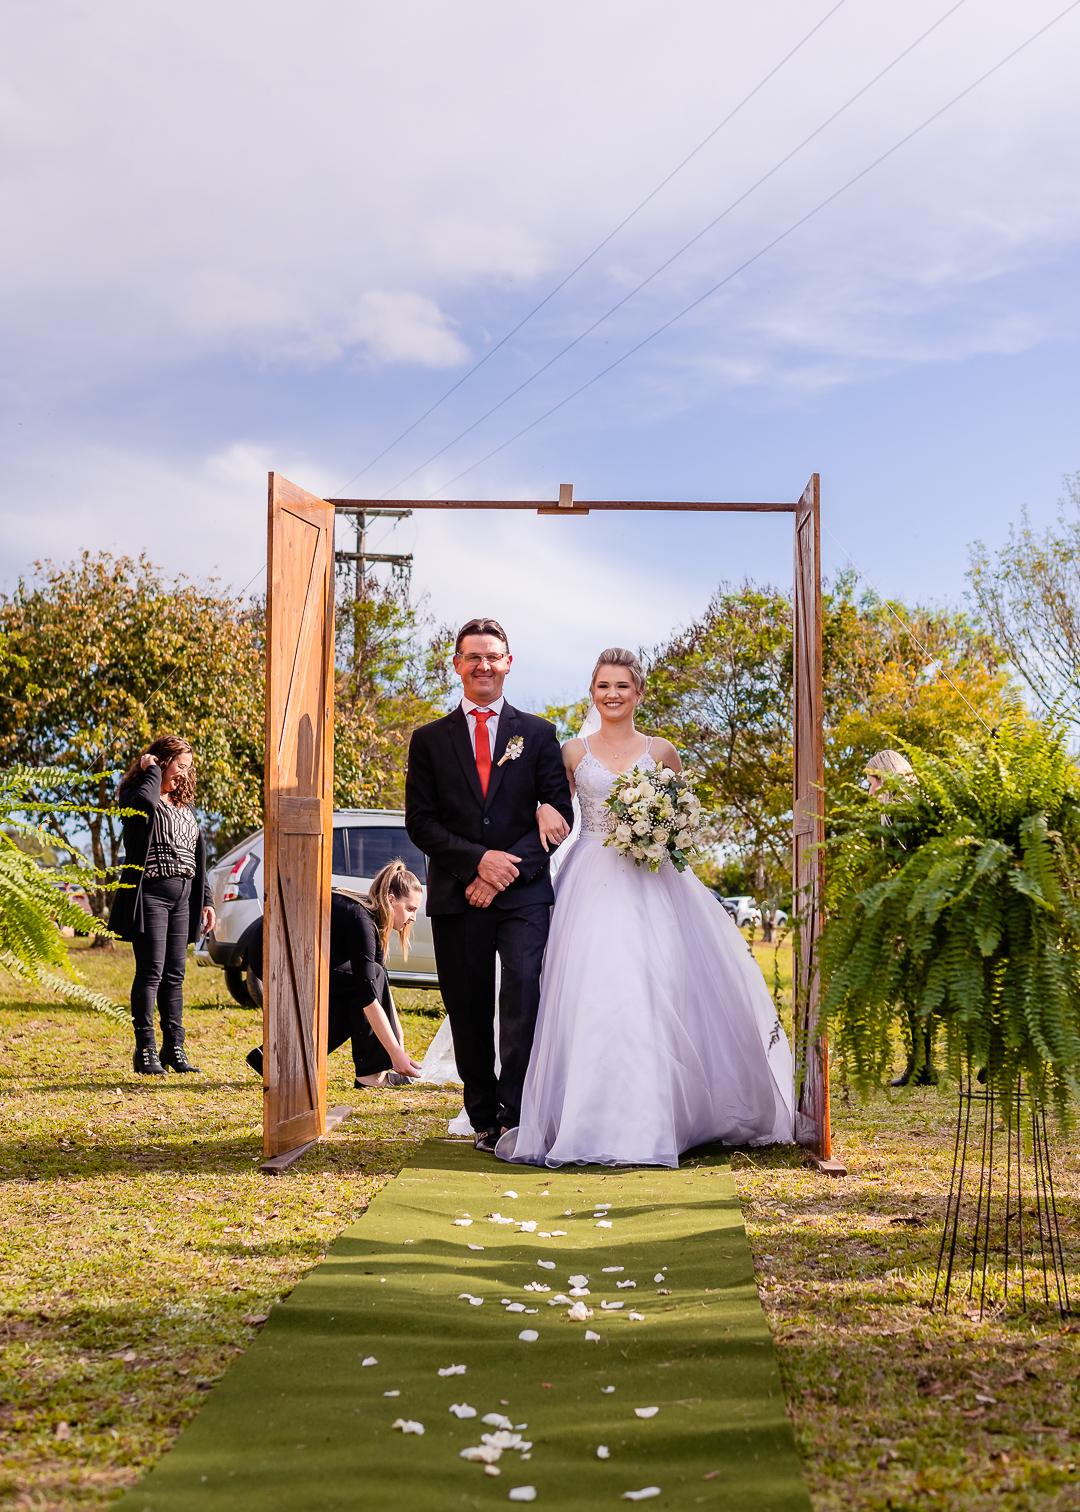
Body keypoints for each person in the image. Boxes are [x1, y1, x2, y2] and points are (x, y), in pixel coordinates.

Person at [496, 648, 794, 1168]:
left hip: (653, 881)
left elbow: (681, 819)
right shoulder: (571, 751)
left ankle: (658, 1116)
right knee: (589, 989)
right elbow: (552, 806)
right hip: (588, 876)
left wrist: (655, 832)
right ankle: (584, 1113)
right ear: (592, 691)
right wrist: (543, 806)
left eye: (622, 687)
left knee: (654, 988)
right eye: (603, 686)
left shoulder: (662, 751)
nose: (612, 695)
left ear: (639, 693)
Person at [405, 617, 575, 1152]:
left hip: (523, 894)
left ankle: (517, 1110)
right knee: (468, 1005)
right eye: (472, 656)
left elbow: (557, 814)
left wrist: (505, 870)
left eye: (492, 656)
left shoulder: (540, 733)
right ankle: (482, 1114)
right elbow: (421, 822)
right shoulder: (429, 739)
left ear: (507, 663)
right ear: (457, 665)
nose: (483, 665)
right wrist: (478, 864)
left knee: (524, 997)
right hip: (459, 893)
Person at [244, 862, 425, 1087]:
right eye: (411, 909)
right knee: (361, 990)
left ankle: (275, 1059)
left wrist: (400, 1046)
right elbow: (369, 997)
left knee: (365, 985)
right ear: (391, 900)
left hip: (285, 951)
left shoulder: (371, 919)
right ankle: (370, 1075)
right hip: (271, 952)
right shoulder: (362, 921)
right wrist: (395, 1053)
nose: (414, 917)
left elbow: (381, 986)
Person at [110, 736, 215, 1077]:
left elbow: (198, 856)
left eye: (189, 768)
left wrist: (207, 900)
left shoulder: (185, 806)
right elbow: (144, 801)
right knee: (151, 973)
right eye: (179, 766)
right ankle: (145, 1051)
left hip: (183, 895)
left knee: (175, 975)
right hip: (151, 893)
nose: (184, 775)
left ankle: (175, 1048)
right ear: (161, 761)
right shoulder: (138, 794)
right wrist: (150, 771)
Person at [865, 748, 938, 1088]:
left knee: (920, 988)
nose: (869, 790)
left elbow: (911, 867)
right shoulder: (917, 806)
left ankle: (923, 1065)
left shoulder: (900, 811)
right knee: (923, 988)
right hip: (927, 904)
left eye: (872, 781)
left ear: (887, 777)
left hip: (922, 908)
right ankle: (922, 1066)